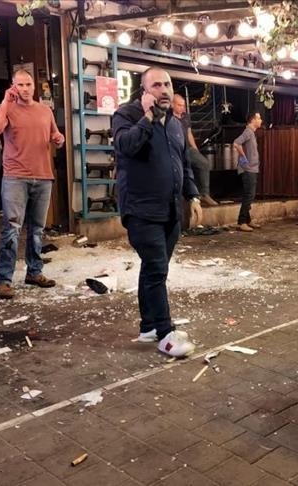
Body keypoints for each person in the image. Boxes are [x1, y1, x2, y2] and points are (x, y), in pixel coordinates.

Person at [112, 67, 203, 358]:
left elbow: (183, 162)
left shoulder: (175, 123)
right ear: (144, 91)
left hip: (170, 210)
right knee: (156, 268)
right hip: (141, 210)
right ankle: (165, 334)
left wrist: (192, 195)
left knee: (153, 269)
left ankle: (149, 326)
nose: (164, 90)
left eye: (167, 84)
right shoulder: (125, 115)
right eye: (156, 85)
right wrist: (148, 116)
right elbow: (126, 146)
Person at [0, 69, 65, 299]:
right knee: (11, 229)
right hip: (15, 176)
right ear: (13, 86)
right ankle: (4, 280)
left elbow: (56, 136)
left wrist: (59, 139)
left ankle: (34, 272)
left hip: (43, 176)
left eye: (28, 84)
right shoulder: (6, 108)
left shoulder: (45, 110)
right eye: (19, 84)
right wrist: (5, 102)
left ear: (34, 86)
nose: (24, 88)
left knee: (37, 229)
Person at [172, 94, 218, 207]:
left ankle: (204, 194)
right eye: (179, 105)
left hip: (187, 148)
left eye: (183, 105)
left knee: (203, 163)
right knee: (181, 172)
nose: (183, 108)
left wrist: (195, 149)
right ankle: (185, 198)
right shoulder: (168, 117)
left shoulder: (185, 117)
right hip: (174, 150)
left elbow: (189, 133)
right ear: (172, 105)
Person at [232, 112, 263, 232]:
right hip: (248, 169)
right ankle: (242, 222)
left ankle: (247, 220)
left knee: (249, 195)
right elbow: (236, 143)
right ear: (253, 120)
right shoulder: (248, 132)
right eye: (259, 118)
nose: (261, 120)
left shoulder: (251, 133)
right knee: (249, 195)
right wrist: (243, 157)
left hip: (252, 169)